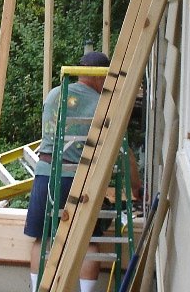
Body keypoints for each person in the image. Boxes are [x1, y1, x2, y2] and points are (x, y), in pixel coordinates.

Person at [24, 51, 141, 292]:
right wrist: (135, 188)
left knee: (42, 238)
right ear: (100, 76)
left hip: (47, 173)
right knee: (88, 241)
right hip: (82, 179)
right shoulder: (103, 104)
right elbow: (123, 151)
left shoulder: (55, 94)